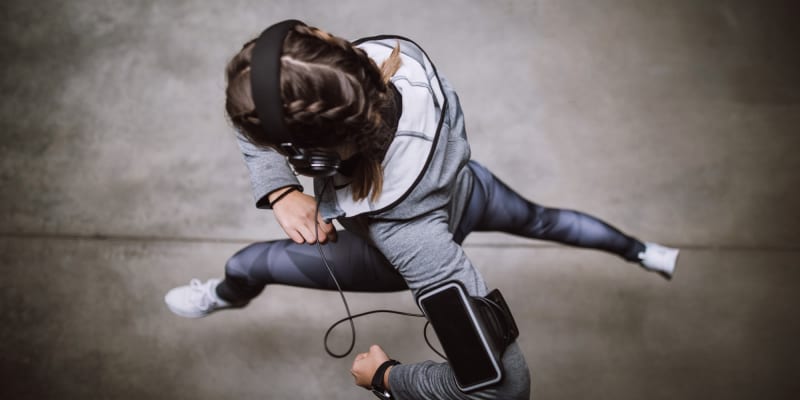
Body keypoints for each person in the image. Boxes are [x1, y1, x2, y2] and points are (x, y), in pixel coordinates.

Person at [164, 20, 679, 399]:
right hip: (470, 188)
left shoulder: (414, 245)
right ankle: (645, 252)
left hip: (400, 246)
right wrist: (280, 189)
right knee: (543, 219)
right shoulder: (370, 69)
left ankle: (226, 292)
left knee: (247, 264)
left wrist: (388, 379)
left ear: (314, 157)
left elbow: (500, 390)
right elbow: (254, 107)